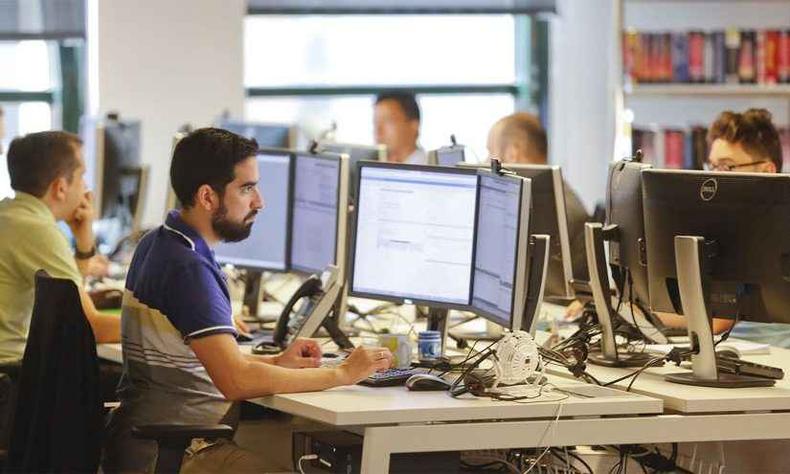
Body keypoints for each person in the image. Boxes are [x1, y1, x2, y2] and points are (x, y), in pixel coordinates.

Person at [103, 128, 393, 473]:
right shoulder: (189, 269)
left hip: (147, 445)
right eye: (246, 188)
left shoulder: (160, 241)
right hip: (180, 454)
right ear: (208, 197)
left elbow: (210, 364)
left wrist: (277, 364)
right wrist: (343, 373)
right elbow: (235, 381)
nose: (259, 201)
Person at [657, 108, 789, 346]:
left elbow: (719, 318)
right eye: (712, 167)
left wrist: (636, 306)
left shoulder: (773, 230)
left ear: (767, 170)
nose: (715, 179)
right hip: (734, 352)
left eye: (727, 167)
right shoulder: (728, 226)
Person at [0, 131, 121, 364]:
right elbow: (89, 327)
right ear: (61, 187)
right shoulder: (35, 229)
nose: (86, 188)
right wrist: (176, 326)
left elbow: (65, 301)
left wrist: (84, 244)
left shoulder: (11, 215)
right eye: (82, 176)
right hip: (10, 380)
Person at [487, 112, 590, 283]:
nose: (486, 160)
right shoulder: (549, 195)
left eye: (490, 151)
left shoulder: (546, 208)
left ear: (513, 153)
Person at [374, 91, 427, 164]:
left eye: (388, 120)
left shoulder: (430, 169)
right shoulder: (377, 168)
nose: (378, 130)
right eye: (376, 122)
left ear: (414, 126)